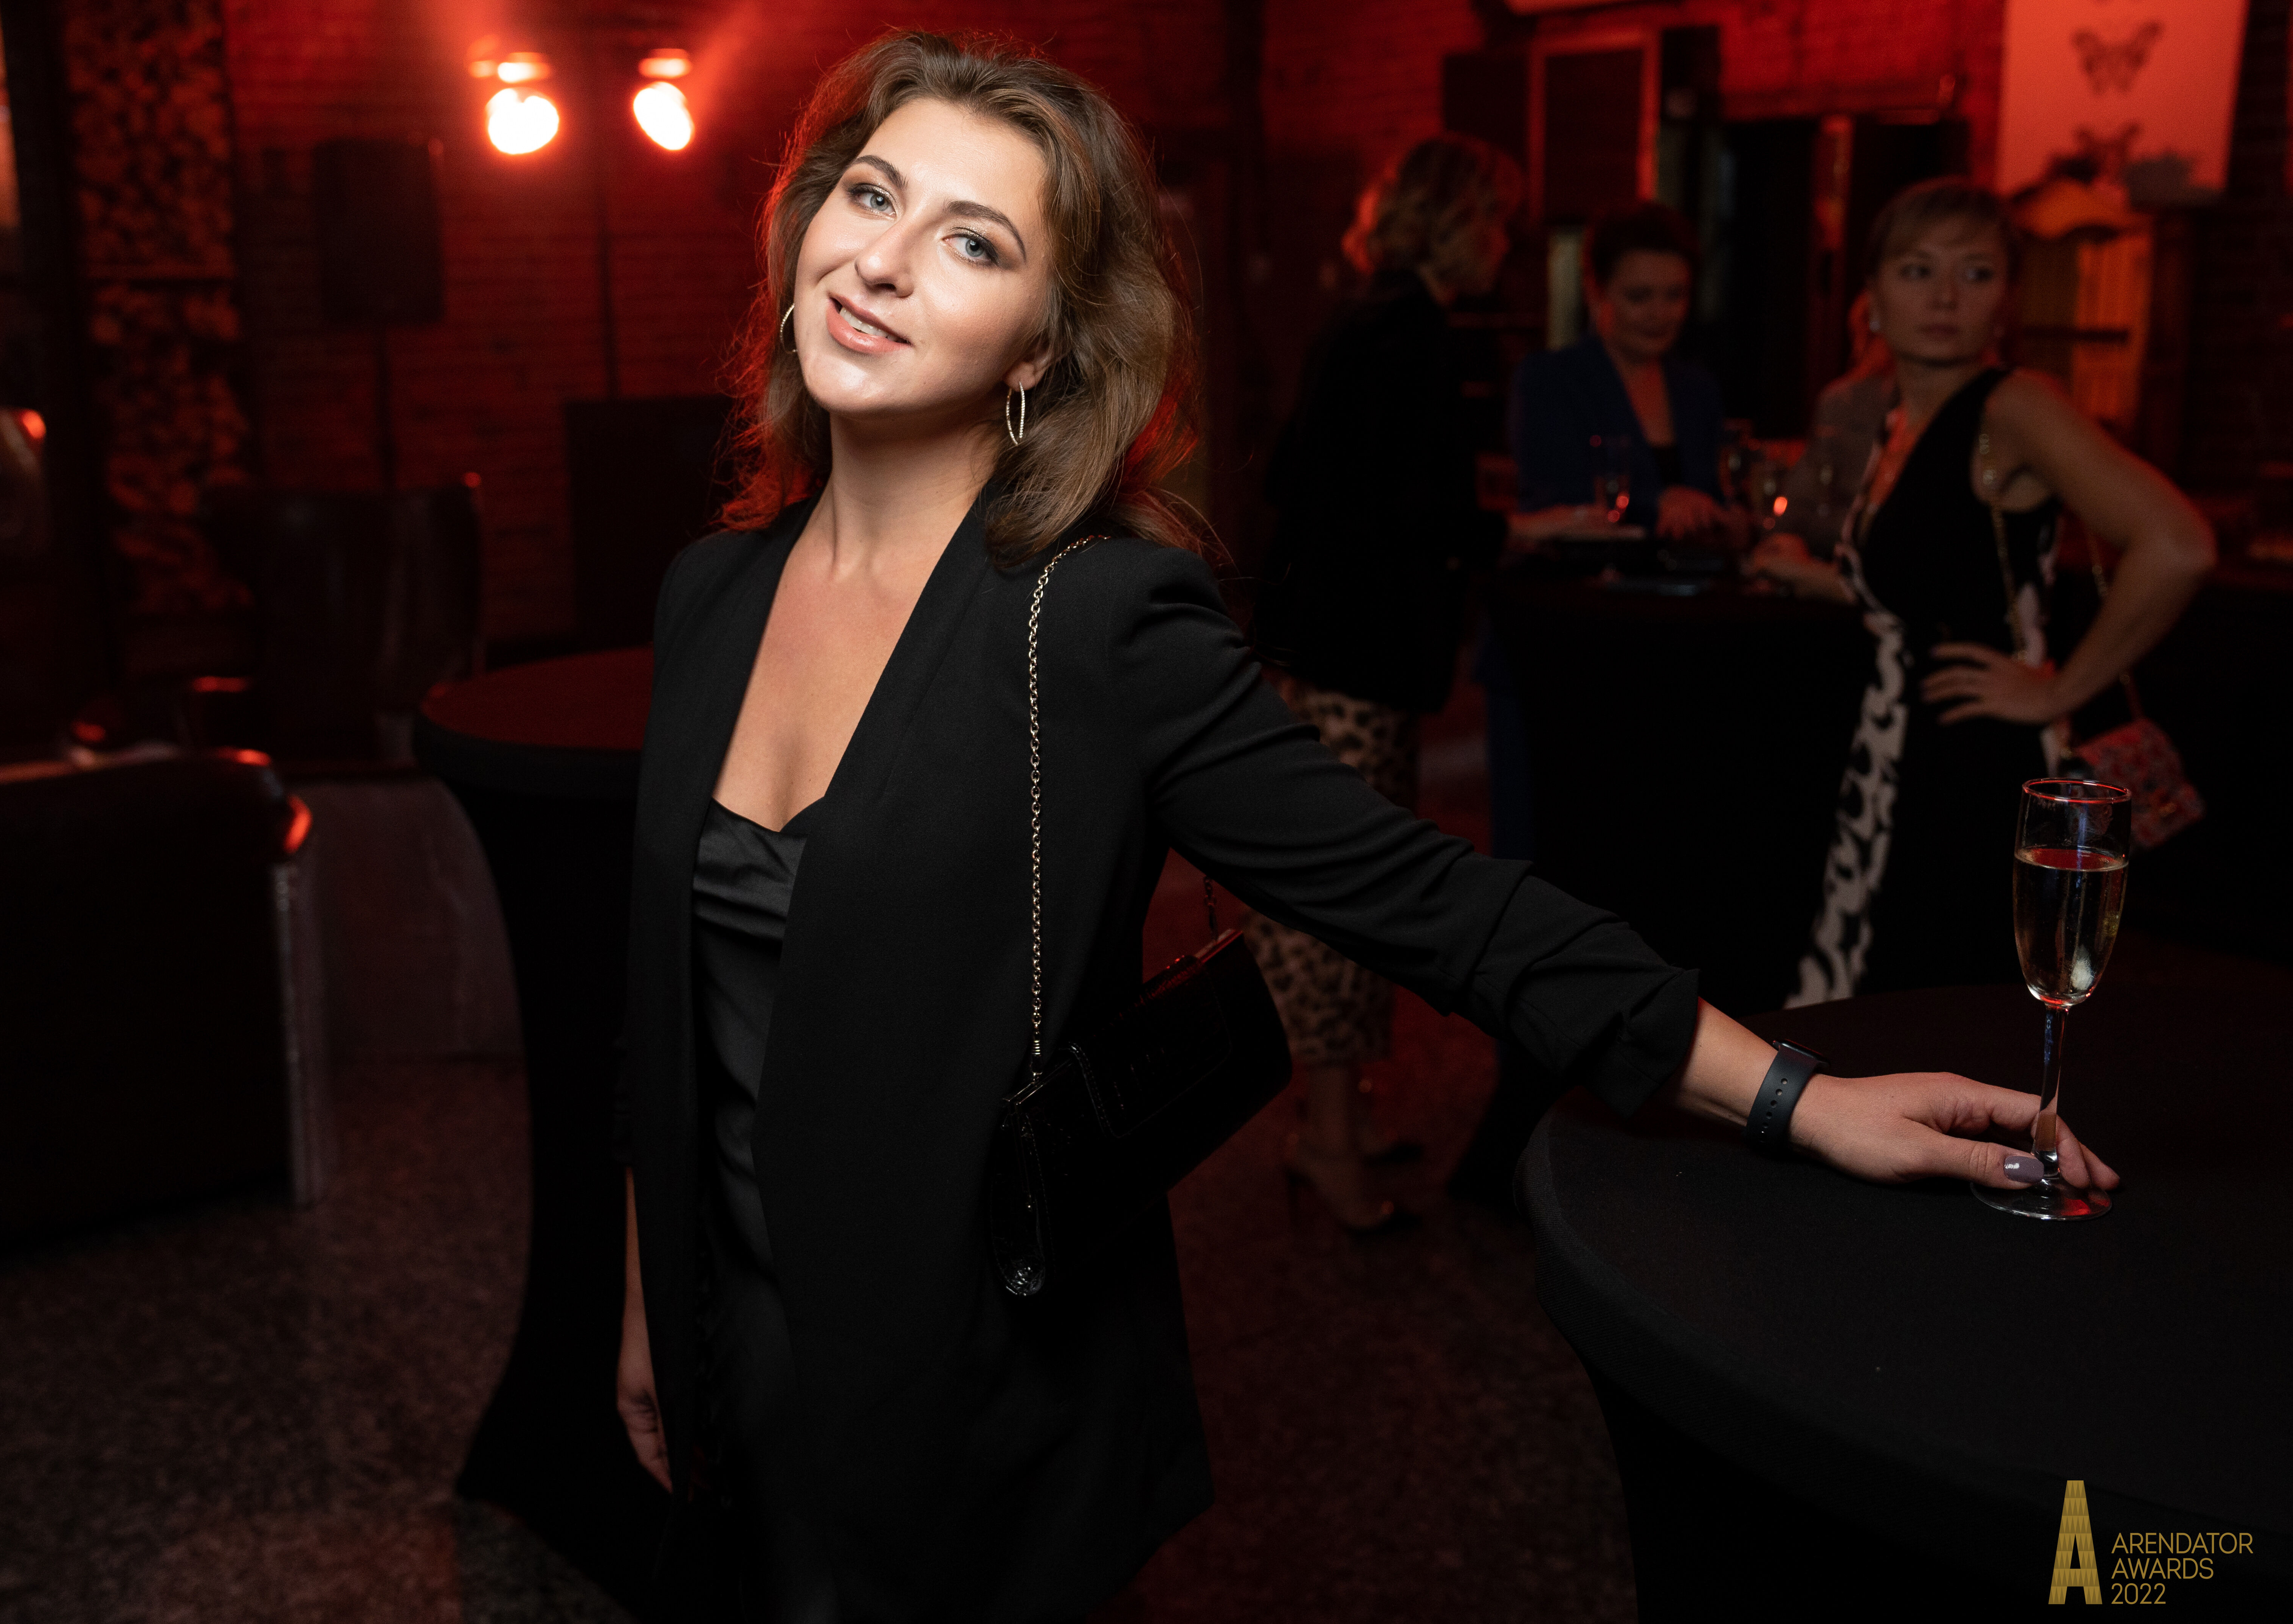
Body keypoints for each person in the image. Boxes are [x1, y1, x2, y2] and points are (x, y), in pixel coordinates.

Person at [611, 37, 2117, 1621]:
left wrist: (1799, 1097)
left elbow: (1434, 904)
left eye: (972, 242)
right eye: (871, 196)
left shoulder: (1094, 623)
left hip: (958, 1386)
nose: (882, 261)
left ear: (1041, 345)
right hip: (733, 1343)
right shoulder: (711, 592)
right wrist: (648, 1296)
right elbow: (660, 1007)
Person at [1750, 179, 2212, 998]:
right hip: (1897, 755)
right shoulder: (1902, 415)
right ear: (1872, 295)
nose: (1945, 297)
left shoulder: (2013, 405)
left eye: (1975, 273)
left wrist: (2056, 691)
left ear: (2006, 299)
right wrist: (1815, 579)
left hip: (1970, 763)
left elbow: (2178, 545)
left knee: (1944, 1007)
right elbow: (1928, 591)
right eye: (1918, 270)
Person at [1248, 133, 1519, 1232]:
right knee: (1342, 894)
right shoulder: (1409, 331)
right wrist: (1507, 529)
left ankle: (1342, 1116)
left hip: (1325, 641)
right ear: (1454, 222)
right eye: (1494, 218)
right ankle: (1325, 1136)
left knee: (1341, 880)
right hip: (1356, 651)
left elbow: (1290, 471)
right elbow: (1399, 507)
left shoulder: (1364, 317)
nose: (1503, 241)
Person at [1509, 200, 1730, 544]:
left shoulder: (1698, 389)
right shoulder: (1552, 380)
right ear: (1595, 291)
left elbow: (1719, 500)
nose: (1659, 313)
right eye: (1639, 297)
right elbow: (1560, 500)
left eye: (1675, 295)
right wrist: (1658, 503)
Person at [1770, 290, 1895, 559]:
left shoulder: (1968, 404)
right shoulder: (1844, 402)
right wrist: (1781, 541)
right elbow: (1802, 498)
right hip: (1837, 552)